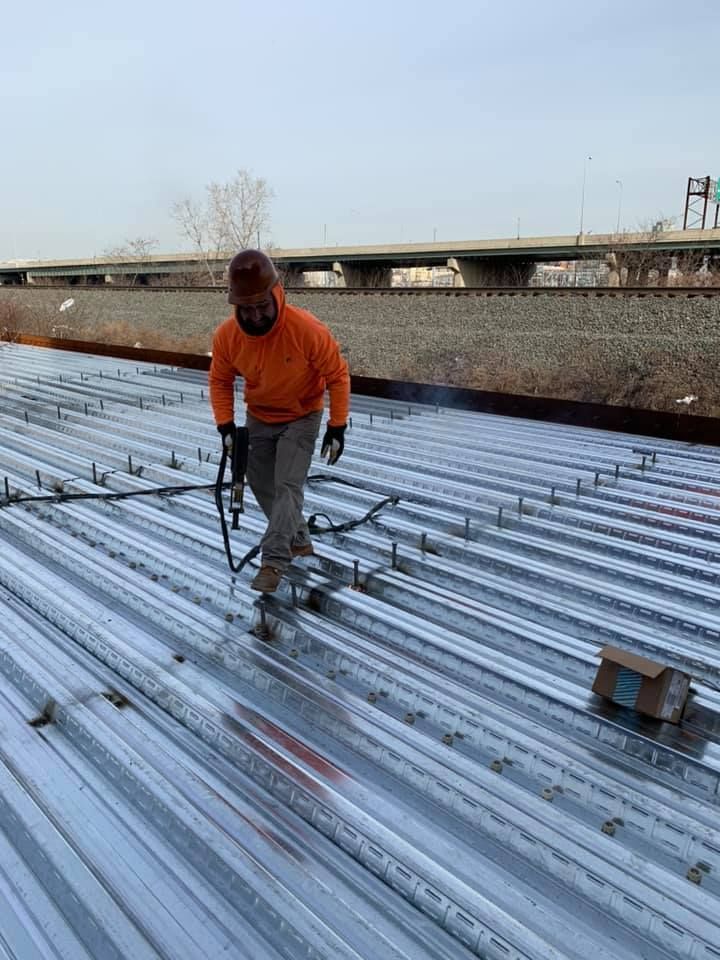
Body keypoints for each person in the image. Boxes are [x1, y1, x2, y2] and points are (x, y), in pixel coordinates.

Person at [209, 249, 350, 593]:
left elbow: (337, 375)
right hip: (259, 415)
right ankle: (298, 539)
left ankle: (273, 562)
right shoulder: (227, 336)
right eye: (247, 308)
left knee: (287, 484)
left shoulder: (306, 330)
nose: (256, 315)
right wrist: (225, 424)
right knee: (260, 482)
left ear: (276, 292)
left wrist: (337, 426)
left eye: (262, 306)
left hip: (302, 414)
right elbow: (220, 380)